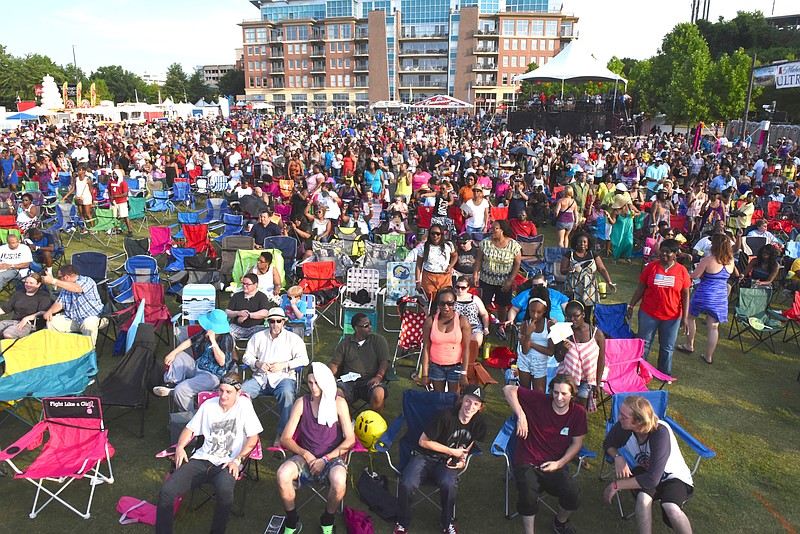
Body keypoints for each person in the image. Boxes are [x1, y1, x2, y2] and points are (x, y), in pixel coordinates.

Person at [155, 372, 262, 534]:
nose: (223, 396)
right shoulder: (208, 405)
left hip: (228, 463)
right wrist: (180, 447)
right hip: (202, 460)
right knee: (167, 490)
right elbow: (189, 429)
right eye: (221, 391)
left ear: (238, 393)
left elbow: (253, 438)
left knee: (225, 493)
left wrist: (238, 460)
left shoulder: (244, 406)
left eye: (228, 392)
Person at [394, 384, 488, 534]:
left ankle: (446, 523)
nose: (470, 407)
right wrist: (452, 451)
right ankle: (402, 522)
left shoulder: (479, 423)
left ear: (480, 407)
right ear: (461, 400)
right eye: (468, 401)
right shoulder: (445, 416)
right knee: (408, 482)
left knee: (449, 483)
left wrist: (462, 458)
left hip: (447, 463)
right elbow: (423, 442)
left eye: (476, 404)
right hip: (424, 457)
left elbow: (470, 442)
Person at [276, 362, 355, 534]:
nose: (313, 387)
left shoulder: (339, 403)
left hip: (332, 458)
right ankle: (292, 521)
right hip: (306, 457)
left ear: (325, 382)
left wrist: (325, 459)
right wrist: (306, 454)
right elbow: (285, 438)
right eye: (310, 383)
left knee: (340, 479)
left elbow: (350, 439)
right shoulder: (301, 403)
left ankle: (327, 519)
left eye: (317, 383)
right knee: (282, 474)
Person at [503, 374, 588, 534]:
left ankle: (559, 523)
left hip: (554, 463)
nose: (559, 397)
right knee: (528, 493)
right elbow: (508, 389)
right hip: (527, 459)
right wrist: (521, 415)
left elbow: (577, 443)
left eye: (564, 394)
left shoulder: (578, 413)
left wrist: (560, 463)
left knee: (572, 494)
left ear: (572, 395)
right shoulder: (540, 400)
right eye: (556, 392)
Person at [603, 395, 695, 534]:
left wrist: (616, 485)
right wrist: (618, 457)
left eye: (624, 416)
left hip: (673, 477)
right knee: (643, 498)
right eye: (621, 413)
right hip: (645, 471)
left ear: (639, 422)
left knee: (671, 508)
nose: (619, 417)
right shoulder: (624, 427)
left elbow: (652, 479)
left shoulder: (660, 432)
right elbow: (608, 443)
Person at [241, 307, 309, 446]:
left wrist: (284, 365)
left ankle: (283, 433)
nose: (275, 324)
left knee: (287, 394)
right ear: (268, 322)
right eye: (272, 321)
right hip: (261, 378)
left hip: (283, 378)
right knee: (240, 394)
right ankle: (244, 430)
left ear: (284, 321)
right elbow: (246, 356)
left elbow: (304, 360)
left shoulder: (293, 339)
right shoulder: (258, 337)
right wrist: (257, 363)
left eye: (279, 321)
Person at [627, 239, 691, 375]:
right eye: (662, 251)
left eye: (668, 252)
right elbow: (641, 288)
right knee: (644, 343)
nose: (664, 254)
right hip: (648, 313)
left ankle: (663, 373)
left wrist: (685, 317)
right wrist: (631, 305)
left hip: (672, 317)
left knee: (667, 347)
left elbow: (685, 294)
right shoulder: (651, 267)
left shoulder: (682, 271)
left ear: (675, 254)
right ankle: (638, 371)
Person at [153, 309, 236, 412]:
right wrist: (173, 352)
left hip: (211, 376)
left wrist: (213, 341)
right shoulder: (204, 333)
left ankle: (190, 417)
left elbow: (222, 362)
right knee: (179, 355)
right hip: (197, 367)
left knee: (181, 390)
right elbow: (190, 341)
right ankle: (171, 383)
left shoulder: (227, 339)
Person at [678, 235, 735, 365]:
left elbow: (695, 275)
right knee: (713, 327)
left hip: (705, 292)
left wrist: (687, 274)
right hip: (720, 295)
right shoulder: (731, 261)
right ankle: (708, 356)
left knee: (691, 317)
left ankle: (689, 345)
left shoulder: (707, 260)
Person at [330, 312, 390, 413]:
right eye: (366, 325)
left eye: (370, 324)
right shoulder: (345, 343)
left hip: (370, 380)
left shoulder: (378, 340)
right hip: (348, 381)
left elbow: (384, 361)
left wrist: (379, 376)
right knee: (337, 394)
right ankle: (346, 425)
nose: (370, 327)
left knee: (379, 392)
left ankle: (374, 424)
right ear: (357, 328)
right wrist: (330, 376)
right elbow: (335, 364)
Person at [474, 219, 522, 333]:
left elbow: (517, 264)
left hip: (504, 281)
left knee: (502, 305)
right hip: (486, 279)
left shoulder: (514, 246)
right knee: (484, 303)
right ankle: (486, 324)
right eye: (491, 228)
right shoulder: (485, 243)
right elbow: (479, 260)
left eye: (495, 228)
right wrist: (475, 275)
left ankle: (501, 325)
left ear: (502, 230)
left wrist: (510, 281)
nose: (491, 230)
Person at [420, 287, 472, 393]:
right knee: (439, 398)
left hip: (456, 366)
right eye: (442, 303)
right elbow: (425, 348)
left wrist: (464, 373)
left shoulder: (462, 321)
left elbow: (466, 348)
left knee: (454, 399)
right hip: (436, 366)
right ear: (438, 304)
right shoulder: (430, 321)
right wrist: (425, 374)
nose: (446, 307)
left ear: (455, 303)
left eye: (450, 303)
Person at [558, 301, 606, 410]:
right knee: (564, 408)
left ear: (583, 315)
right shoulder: (563, 332)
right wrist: (562, 351)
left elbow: (601, 360)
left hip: (586, 380)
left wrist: (597, 384)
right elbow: (557, 358)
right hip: (567, 378)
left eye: (576, 316)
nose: (572, 319)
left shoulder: (596, 334)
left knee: (580, 410)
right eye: (569, 316)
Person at [42, 264, 104, 346]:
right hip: (72, 319)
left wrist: (53, 281)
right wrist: (50, 311)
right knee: (51, 323)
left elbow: (76, 288)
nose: (58, 279)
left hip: (91, 316)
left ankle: (89, 352)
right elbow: (59, 303)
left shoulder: (87, 281)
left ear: (66, 277)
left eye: (59, 277)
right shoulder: (65, 288)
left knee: (88, 324)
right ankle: (62, 349)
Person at [560, 231, 615, 320]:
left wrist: (609, 282)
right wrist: (568, 270)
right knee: (572, 315)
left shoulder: (593, 255)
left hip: (589, 291)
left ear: (588, 243)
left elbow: (602, 269)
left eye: (584, 242)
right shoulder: (569, 255)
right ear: (576, 243)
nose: (582, 244)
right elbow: (562, 271)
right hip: (573, 290)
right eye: (579, 242)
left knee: (587, 315)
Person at [518, 286, 556, 392]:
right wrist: (528, 334)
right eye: (532, 311)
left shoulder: (549, 325)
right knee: (524, 392)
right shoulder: (525, 324)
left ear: (544, 311)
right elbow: (525, 351)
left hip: (540, 364)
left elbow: (550, 352)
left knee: (539, 394)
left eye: (539, 312)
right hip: (525, 361)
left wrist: (531, 343)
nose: (535, 315)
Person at [0, 273, 52, 339]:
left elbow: (44, 312)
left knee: (8, 334)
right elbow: (5, 309)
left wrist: (27, 318)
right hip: (15, 321)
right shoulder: (19, 293)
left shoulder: (43, 296)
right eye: (26, 282)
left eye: (31, 283)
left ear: (38, 284)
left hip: (30, 324)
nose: (28, 285)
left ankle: (12, 348)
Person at [505, 272, 570, 325]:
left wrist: (570, 319)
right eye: (535, 286)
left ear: (546, 283)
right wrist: (511, 319)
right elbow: (514, 309)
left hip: (556, 325)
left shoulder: (556, 294)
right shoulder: (525, 294)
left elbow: (567, 309)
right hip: (529, 325)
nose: (538, 287)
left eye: (540, 284)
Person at [224, 273, 271, 340]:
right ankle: (230, 349)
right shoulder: (236, 296)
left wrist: (248, 315)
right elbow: (227, 312)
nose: (244, 286)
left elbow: (265, 313)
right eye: (243, 284)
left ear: (255, 285)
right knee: (227, 331)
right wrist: (238, 313)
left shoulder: (262, 297)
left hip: (255, 327)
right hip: (238, 327)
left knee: (263, 332)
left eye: (248, 284)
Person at [416, 223, 457, 298]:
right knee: (431, 302)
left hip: (444, 277)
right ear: (429, 234)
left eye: (438, 234)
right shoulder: (423, 247)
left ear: (441, 235)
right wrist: (418, 281)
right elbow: (418, 265)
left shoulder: (448, 245)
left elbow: (455, 256)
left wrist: (450, 266)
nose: (435, 236)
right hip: (429, 277)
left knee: (445, 299)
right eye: (433, 233)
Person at [453, 275, 491, 348]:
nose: (460, 290)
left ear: (468, 288)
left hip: (474, 326)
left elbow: (484, 314)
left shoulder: (475, 299)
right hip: (455, 327)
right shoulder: (451, 298)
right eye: (458, 287)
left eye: (463, 288)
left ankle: (471, 358)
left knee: (476, 340)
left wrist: (486, 328)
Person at [109, 169, 133, 236]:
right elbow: (109, 190)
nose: (114, 175)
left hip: (122, 202)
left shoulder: (123, 182)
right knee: (114, 216)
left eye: (115, 174)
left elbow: (125, 193)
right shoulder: (111, 182)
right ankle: (117, 229)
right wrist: (110, 197)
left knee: (125, 216)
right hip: (113, 201)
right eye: (113, 174)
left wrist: (116, 196)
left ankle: (129, 230)